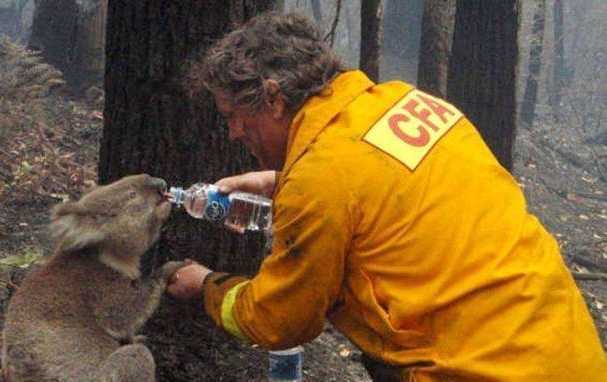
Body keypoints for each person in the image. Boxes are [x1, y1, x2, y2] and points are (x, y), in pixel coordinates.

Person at [167, 11, 607, 381]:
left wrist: (206, 285)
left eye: (235, 116)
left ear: (274, 99)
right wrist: (279, 182)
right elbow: (386, 194)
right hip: (568, 347)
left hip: (479, 370)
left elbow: (280, 320)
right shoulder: (405, 102)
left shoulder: (321, 181)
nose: (233, 132)